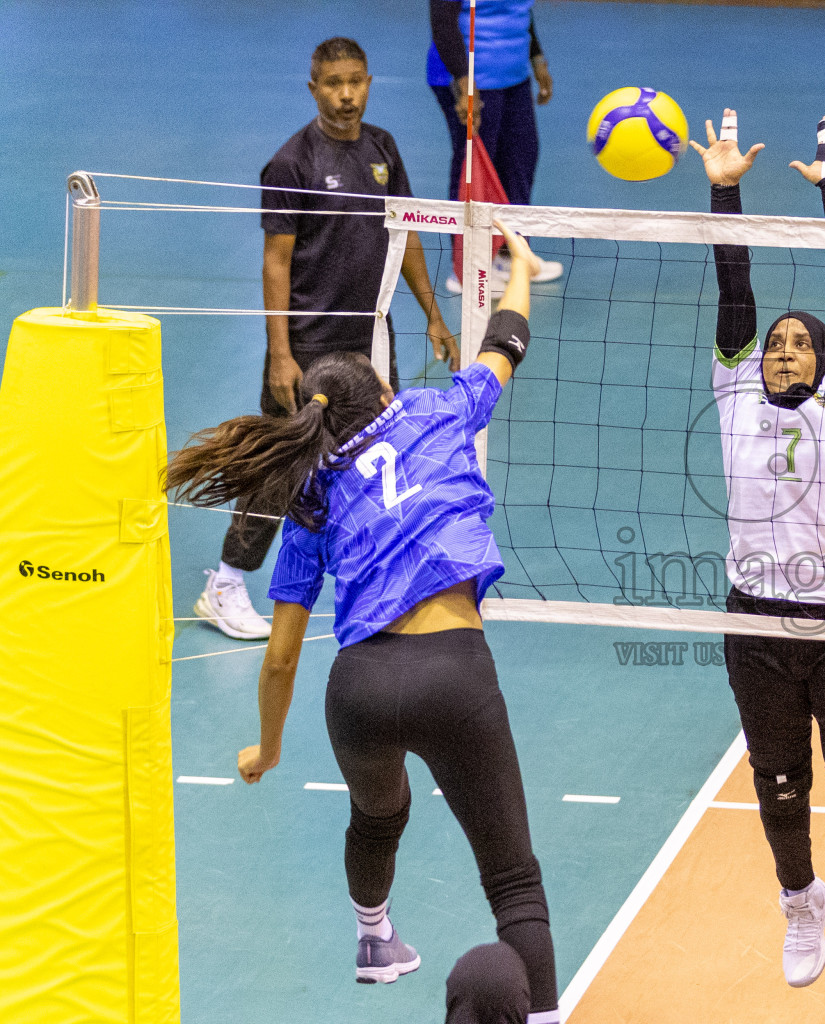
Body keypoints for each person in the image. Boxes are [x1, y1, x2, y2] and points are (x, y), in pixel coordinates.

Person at [166, 227, 560, 1024]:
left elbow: (279, 660)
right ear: (383, 393)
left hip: (359, 691)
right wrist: (516, 266)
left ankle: (374, 940)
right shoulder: (436, 411)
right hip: (454, 673)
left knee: (378, 812)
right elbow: (505, 341)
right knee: (514, 882)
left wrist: (269, 747)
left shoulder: (311, 492)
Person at [689, 109, 825, 1013]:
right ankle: (801, 903)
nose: (783, 349)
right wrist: (724, 188)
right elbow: (732, 287)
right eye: (773, 342)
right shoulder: (737, 392)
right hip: (755, 619)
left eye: (800, 343)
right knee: (778, 782)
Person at [194, 37, 460, 641]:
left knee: (380, 454)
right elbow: (275, 261)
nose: (347, 95)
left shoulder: (382, 148)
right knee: (281, 466)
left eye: (357, 82)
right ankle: (227, 583)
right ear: (313, 87)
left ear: (368, 82)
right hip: (309, 344)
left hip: (369, 339)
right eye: (334, 84)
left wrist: (433, 315)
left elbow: (406, 234)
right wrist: (281, 354)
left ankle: (382, 574)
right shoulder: (292, 163)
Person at [429, 0, 563, 291]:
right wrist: (464, 80)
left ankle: (512, 254)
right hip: (468, 79)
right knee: (476, 167)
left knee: (521, 159)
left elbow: (519, 11)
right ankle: (467, 267)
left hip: (513, 78)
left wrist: (537, 58)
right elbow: (442, 23)